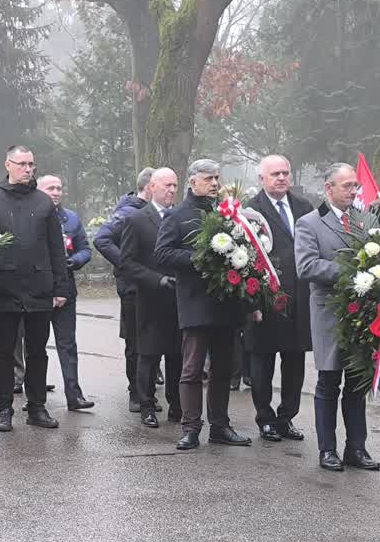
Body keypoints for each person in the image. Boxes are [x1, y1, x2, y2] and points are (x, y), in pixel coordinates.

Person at [152, 159, 252, 451]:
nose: (214, 183)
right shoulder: (177, 215)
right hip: (196, 303)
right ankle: (190, 427)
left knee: (223, 368)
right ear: (193, 182)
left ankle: (220, 425)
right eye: (209, 178)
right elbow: (163, 255)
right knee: (193, 368)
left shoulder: (226, 213)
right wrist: (200, 258)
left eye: (217, 178)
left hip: (226, 304)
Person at [0, 145, 68, 432]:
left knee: (38, 351)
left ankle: (37, 407)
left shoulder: (43, 202)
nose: (27, 169)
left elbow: (56, 248)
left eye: (31, 165)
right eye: (22, 164)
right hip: (4, 287)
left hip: (40, 287)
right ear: (8, 164)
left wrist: (60, 287)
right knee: (4, 351)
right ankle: (4, 409)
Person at [295, 162, 380, 472]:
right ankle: (327, 449)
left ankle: (356, 447)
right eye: (347, 186)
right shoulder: (309, 223)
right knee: (329, 382)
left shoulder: (367, 219)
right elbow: (306, 267)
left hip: (362, 314)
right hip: (329, 312)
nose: (354, 191)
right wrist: (351, 272)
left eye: (356, 186)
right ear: (329, 188)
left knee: (357, 383)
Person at [243, 154, 313, 442]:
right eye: (275, 174)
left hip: (300, 298)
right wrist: (252, 304)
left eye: (285, 173)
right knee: (262, 363)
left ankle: (287, 417)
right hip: (266, 301)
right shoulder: (251, 212)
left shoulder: (305, 208)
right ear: (262, 179)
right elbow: (244, 261)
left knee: (295, 362)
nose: (282, 178)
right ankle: (265, 418)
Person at [119, 167, 182, 429]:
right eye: (166, 185)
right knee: (149, 355)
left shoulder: (181, 217)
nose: (171, 190)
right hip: (150, 298)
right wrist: (156, 280)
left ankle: (177, 405)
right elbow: (127, 263)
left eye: (175, 186)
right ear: (152, 187)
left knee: (178, 355)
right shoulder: (137, 219)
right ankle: (146, 405)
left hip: (180, 300)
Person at [90, 169, 152, 411]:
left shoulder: (156, 212)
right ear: (149, 186)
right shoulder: (127, 213)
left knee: (151, 341)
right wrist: (127, 263)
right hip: (132, 288)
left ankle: (147, 391)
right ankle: (135, 393)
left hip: (153, 285)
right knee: (135, 342)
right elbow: (102, 240)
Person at [36, 174, 94, 411]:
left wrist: (73, 261)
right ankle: (35, 396)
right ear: (39, 190)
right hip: (38, 290)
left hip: (65, 289)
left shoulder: (71, 219)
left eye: (59, 188)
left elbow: (85, 249)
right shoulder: (32, 216)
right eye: (51, 188)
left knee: (67, 344)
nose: (56, 192)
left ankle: (74, 394)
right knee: (36, 347)